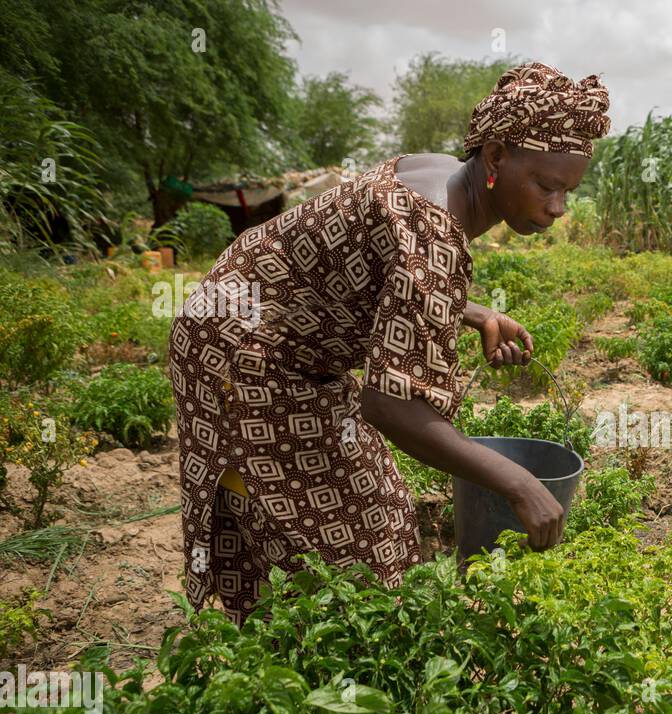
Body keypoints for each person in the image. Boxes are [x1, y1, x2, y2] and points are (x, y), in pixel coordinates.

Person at [167, 62, 610, 624]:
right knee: (353, 540)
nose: (557, 208)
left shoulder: (440, 173)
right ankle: (287, 656)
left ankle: (270, 640)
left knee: (363, 510)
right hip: (243, 353)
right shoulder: (432, 228)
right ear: (496, 157)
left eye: (568, 191)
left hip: (262, 326)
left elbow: (380, 268)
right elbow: (391, 407)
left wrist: (467, 311)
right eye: (547, 186)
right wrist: (518, 482)